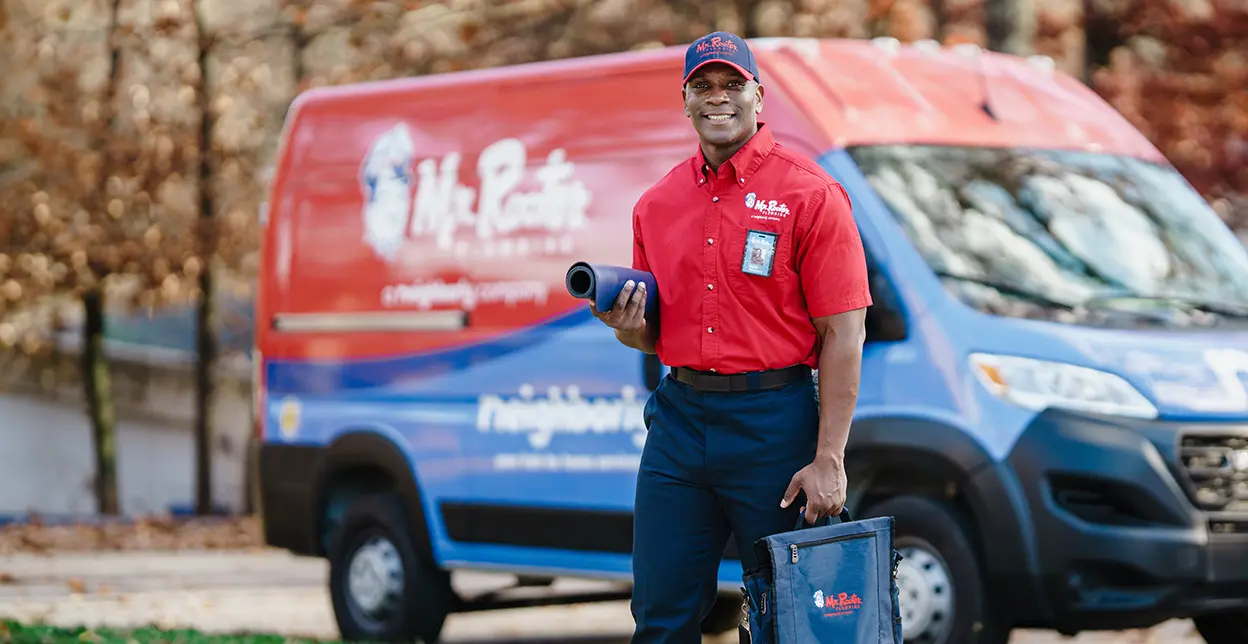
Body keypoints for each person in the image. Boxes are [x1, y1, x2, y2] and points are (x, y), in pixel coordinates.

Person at [589, 31, 872, 643]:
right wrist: (628, 329)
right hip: (680, 423)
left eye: (732, 84)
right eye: (703, 86)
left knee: (790, 619)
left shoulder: (812, 194)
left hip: (776, 426)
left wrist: (829, 458)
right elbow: (651, 338)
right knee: (659, 618)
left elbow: (844, 335)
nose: (718, 98)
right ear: (685, 101)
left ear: (758, 96)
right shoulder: (655, 205)